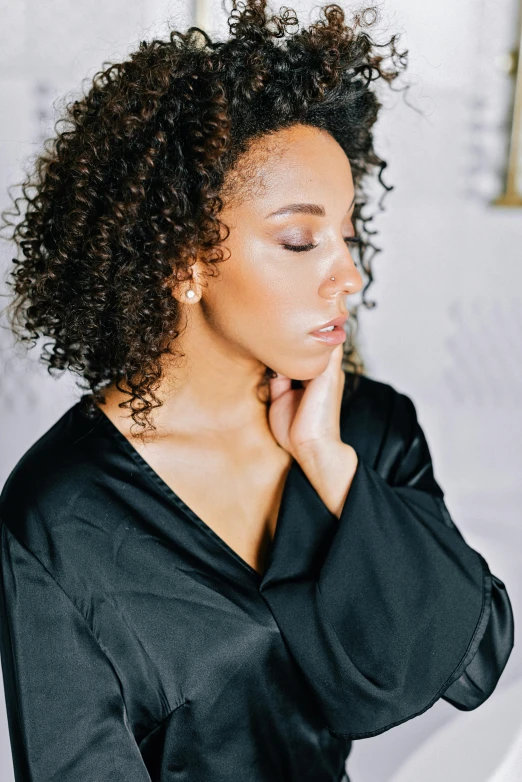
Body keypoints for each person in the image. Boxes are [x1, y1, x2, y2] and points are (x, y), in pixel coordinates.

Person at [0, 2, 514, 780]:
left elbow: (475, 664)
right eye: (302, 240)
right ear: (185, 260)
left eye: (350, 234)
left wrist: (331, 468)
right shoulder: (58, 515)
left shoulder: (369, 431)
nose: (350, 274)